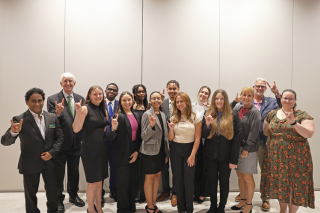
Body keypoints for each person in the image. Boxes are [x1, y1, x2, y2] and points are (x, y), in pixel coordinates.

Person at [1, 88, 63, 213]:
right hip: (30, 163)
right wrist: (13, 132)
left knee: (53, 192)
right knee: (30, 194)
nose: (37, 103)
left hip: (50, 162)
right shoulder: (19, 119)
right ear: (26, 102)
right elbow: (4, 141)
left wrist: (52, 153)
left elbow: (60, 137)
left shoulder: (52, 117)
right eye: (33, 101)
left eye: (39, 100)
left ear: (43, 101)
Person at [261, 89, 315, 213]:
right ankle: (282, 210)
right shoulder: (272, 114)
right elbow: (266, 131)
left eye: (291, 99)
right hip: (276, 156)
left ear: (295, 101)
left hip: (297, 158)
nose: (287, 101)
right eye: (285, 98)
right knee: (282, 184)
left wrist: (294, 123)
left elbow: (309, 133)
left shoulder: (302, 115)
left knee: (295, 186)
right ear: (281, 99)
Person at [232, 78, 281, 211]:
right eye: (257, 86)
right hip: (242, 143)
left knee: (263, 171)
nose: (259, 88)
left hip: (261, 141)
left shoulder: (270, 102)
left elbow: (283, 107)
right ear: (254, 87)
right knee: (242, 173)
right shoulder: (240, 105)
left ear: (265, 88)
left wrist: (277, 94)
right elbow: (231, 115)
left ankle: (265, 199)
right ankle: (244, 198)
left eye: (262, 86)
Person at [47, 72, 85, 212]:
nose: (68, 83)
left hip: (76, 143)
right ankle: (58, 200)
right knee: (58, 174)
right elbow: (50, 121)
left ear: (74, 83)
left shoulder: (81, 98)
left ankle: (74, 195)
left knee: (74, 173)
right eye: (65, 81)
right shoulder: (53, 99)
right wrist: (56, 113)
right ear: (61, 83)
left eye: (71, 81)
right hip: (60, 144)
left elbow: (83, 120)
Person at [202, 89, 241, 213]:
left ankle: (221, 207)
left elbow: (237, 138)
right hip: (210, 155)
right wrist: (207, 124)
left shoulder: (233, 114)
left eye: (222, 98)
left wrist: (234, 159)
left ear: (225, 100)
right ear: (213, 100)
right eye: (217, 98)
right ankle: (213, 206)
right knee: (212, 183)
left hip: (226, 156)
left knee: (224, 183)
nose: (219, 101)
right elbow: (204, 135)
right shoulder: (208, 112)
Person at [73, 85, 109, 213]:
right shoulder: (84, 109)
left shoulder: (103, 110)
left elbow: (103, 128)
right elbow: (76, 129)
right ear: (89, 95)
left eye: (100, 94)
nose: (98, 96)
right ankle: (91, 209)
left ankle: (99, 208)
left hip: (102, 149)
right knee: (93, 181)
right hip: (89, 150)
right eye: (95, 94)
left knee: (100, 181)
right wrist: (77, 113)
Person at [108, 91, 142, 213]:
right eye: (124, 100)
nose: (127, 102)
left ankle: (131, 208)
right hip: (122, 156)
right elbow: (110, 138)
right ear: (120, 102)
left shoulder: (136, 115)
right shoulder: (118, 116)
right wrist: (113, 129)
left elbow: (139, 137)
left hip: (134, 154)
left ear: (133, 100)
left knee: (133, 184)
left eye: (129, 100)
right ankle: (122, 209)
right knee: (123, 185)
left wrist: (137, 151)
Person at [167, 91, 202, 213]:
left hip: (190, 150)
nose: (180, 104)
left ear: (187, 102)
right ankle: (180, 209)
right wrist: (171, 129)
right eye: (177, 102)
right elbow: (170, 138)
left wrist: (192, 155)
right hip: (176, 151)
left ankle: (189, 209)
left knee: (188, 180)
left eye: (182, 101)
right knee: (178, 180)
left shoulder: (195, 118)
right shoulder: (173, 118)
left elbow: (197, 138)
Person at [231, 87, 261, 213]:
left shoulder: (255, 112)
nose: (246, 98)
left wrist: (246, 148)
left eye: (249, 95)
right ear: (241, 96)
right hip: (236, 148)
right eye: (244, 95)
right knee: (240, 175)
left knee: (248, 177)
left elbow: (254, 133)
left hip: (248, 149)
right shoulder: (237, 108)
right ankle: (242, 200)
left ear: (253, 97)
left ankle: (249, 204)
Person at [140, 91, 170, 213]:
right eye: (154, 98)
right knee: (149, 178)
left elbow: (165, 137)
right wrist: (151, 126)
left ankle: (153, 204)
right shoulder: (146, 114)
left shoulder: (162, 114)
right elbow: (143, 136)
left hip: (161, 151)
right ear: (150, 101)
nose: (156, 100)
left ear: (161, 100)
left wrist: (166, 153)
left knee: (158, 176)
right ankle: (149, 206)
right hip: (149, 152)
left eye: (158, 98)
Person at [157, 80, 180, 206]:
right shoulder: (162, 103)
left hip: (178, 140)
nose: (172, 91)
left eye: (174, 88)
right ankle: (166, 190)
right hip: (164, 141)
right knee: (164, 167)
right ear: (167, 89)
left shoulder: (182, 102)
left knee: (176, 168)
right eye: (170, 88)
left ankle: (175, 193)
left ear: (178, 89)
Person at [191, 86, 211, 203]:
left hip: (204, 141)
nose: (203, 94)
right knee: (194, 168)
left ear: (208, 96)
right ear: (198, 93)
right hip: (191, 140)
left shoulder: (210, 108)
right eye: (202, 92)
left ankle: (203, 193)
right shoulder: (191, 106)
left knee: (204, 168)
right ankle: (194, 191)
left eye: (206, 93)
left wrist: (211, 108)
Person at [101, 83, 119, 204]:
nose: (111, 91)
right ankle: (100, 193)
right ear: (105, 91)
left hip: (116, 141)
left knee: (114, 167)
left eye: (114, 90)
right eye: (109, 89)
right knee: (101, 168)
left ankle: (114, 190)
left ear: (117, 93)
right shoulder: (99, 103)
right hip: (101, 141)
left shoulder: (120, 104)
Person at [132, 84, 148, 203]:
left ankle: (143, 194)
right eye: (139, 92)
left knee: (144, 169)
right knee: (135, 169)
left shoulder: (148, 105)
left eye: (143, 92)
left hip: (147, 140)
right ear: (135, 93)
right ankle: (135, 194)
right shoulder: (131, 105)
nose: (141, 94)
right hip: (135, 141)